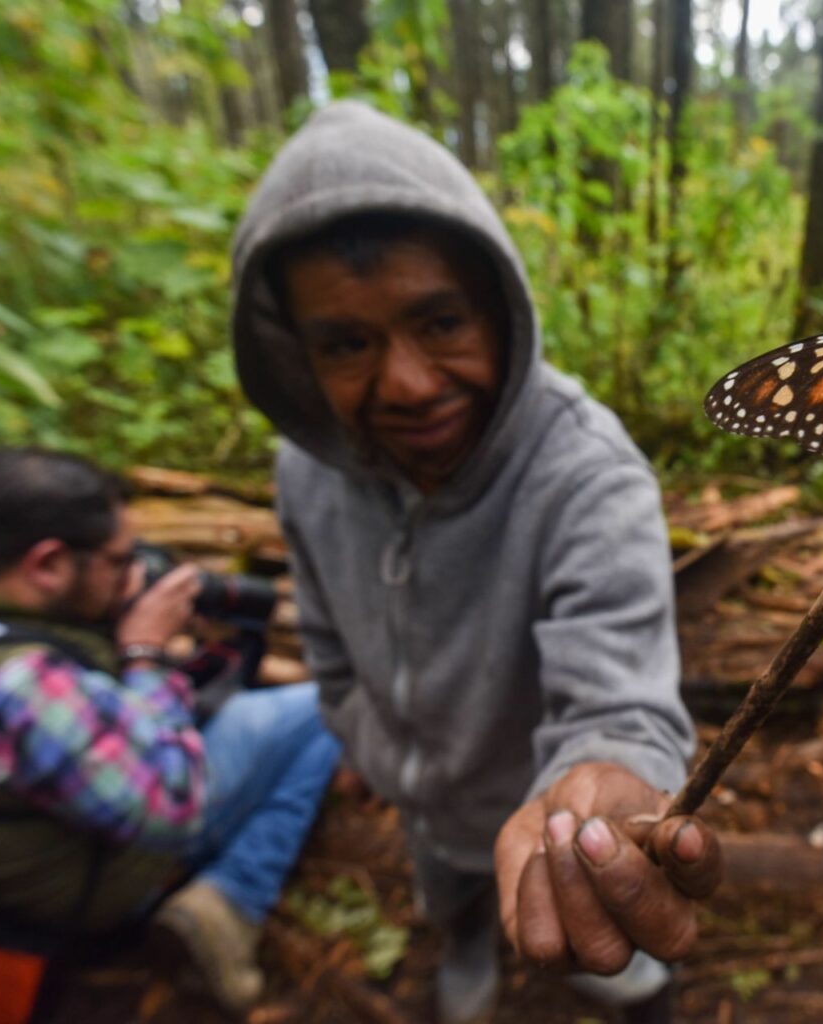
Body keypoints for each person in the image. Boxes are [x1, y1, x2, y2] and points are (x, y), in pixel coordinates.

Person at [229, 101, 720, 1024]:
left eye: (441, 321)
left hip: (544, 815)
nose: (407, 384)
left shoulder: (586, 474)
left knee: (592, 935)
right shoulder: (306, 471)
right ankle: (462, 946)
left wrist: (605, 789)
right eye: (346, 343)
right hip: (421, 808)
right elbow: (327, 650)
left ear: (499, 307)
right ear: (295, 356)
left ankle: (616, 979)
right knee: (451, 900)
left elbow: (621, 700)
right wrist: (375, 748)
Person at [0, 448, 339, 1017]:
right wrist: (146, 654)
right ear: (47, 564)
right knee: (320, 710)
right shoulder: (16, 682)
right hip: (70, 896)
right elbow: (174, 802)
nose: (132, 576)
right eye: (118, 561)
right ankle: (230, 904)